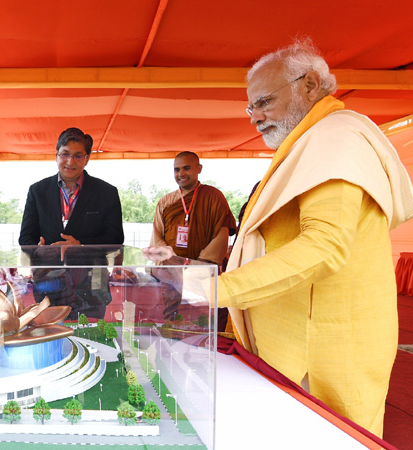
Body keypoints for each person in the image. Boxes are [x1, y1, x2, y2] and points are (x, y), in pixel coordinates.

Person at [218, 39, 413, 436]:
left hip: (323, 351)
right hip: (296, 342)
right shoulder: (313, 140)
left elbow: (324, 246)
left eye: (264, 102)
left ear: (309, 85)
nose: (255, 118)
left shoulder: (336, 137)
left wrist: (211, 292)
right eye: (251, 108)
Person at [19, 127, 124, 319]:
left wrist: (81, 246)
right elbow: (25, 237)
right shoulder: (37, 191)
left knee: (92, 334)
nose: (70, 161)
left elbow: (115, 238)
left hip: (92, 287)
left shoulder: (106, 193)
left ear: (87, 159)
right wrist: (38, 250)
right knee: (50, 333)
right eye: (65, 154)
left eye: (78, 156)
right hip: (49, 283)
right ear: (56, 155)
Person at [150, 152, 236, 319]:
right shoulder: (166, 202)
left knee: (202, 317)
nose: (181, 174)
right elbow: (157, 234)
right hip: (171, 271)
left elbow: (222, 232)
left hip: (201, 271)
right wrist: (172, 262)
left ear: (199, 169)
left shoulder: (214, 197)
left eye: (186, 168)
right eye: (177, 170)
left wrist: (199, 266)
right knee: (171, 316)